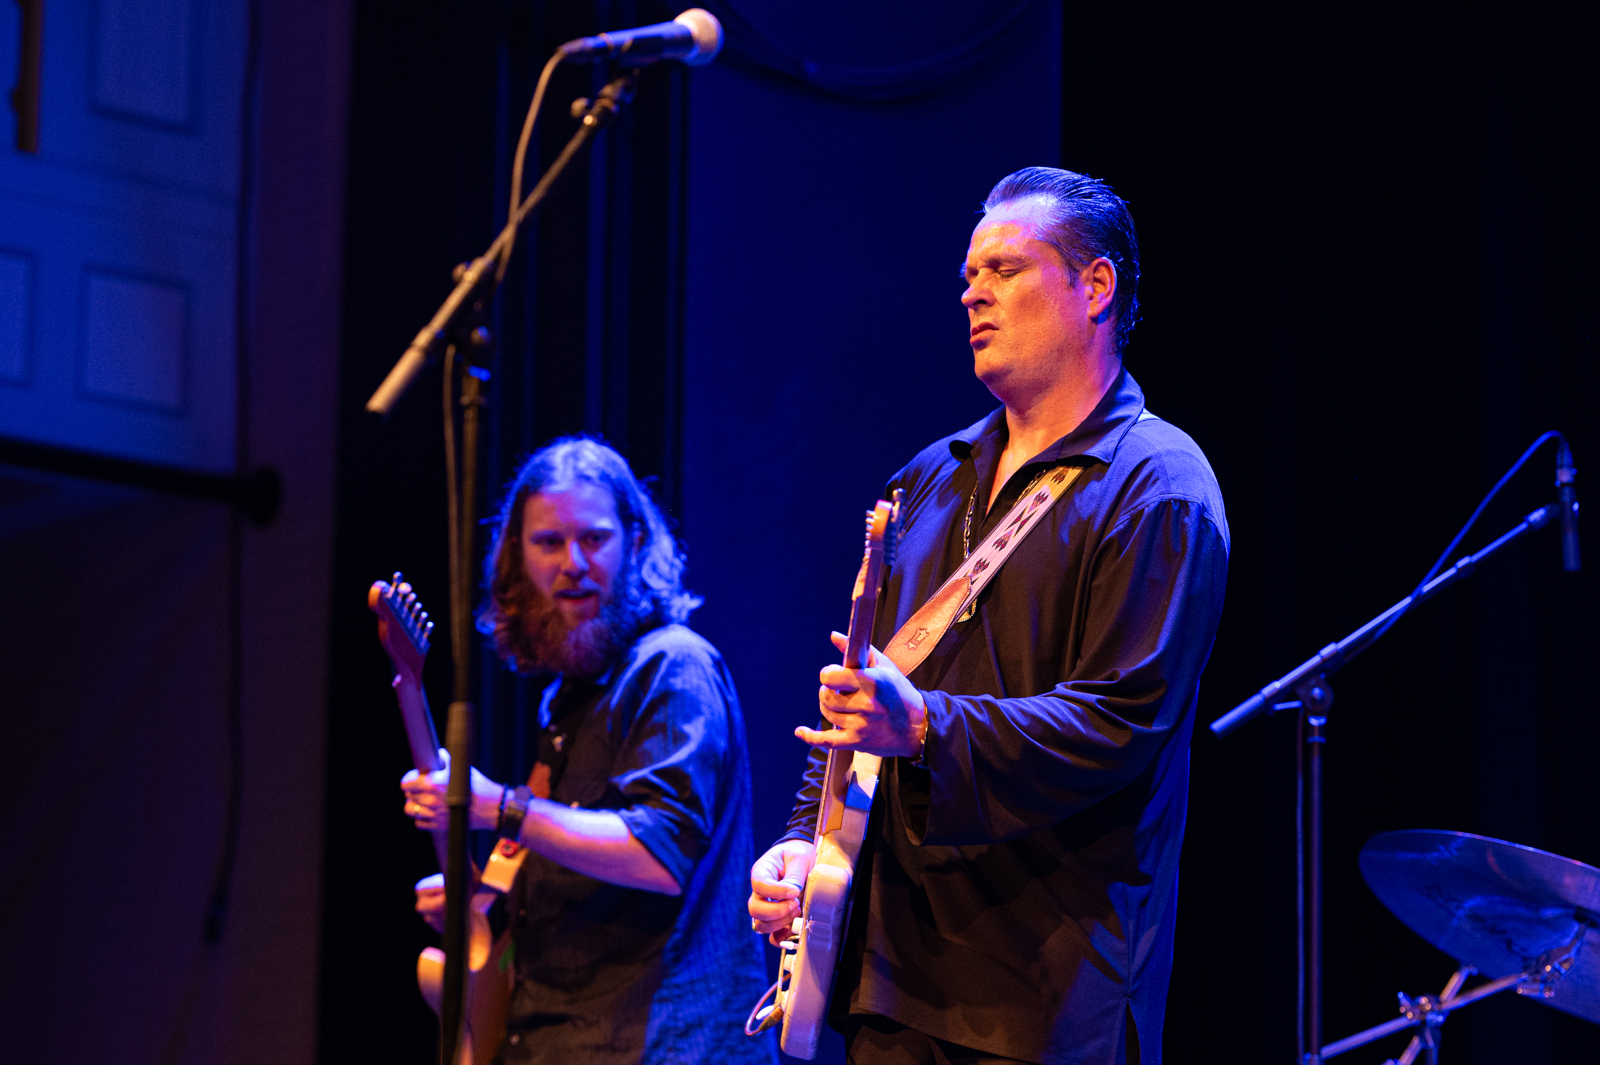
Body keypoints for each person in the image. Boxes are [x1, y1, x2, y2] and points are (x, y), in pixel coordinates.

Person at [748, 167, 1230, 1065]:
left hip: (1044, 998)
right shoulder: (929, 477)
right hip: (888, 979)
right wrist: (802, 842)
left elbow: (1119, 722)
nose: (972, 293)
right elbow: (865, 692)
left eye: (1005, 269)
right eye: (970, 275)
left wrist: (925, 726)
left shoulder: (1158, 487)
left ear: (1096, 286)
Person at [403, 437, 774, 1065]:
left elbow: (658, 855)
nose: (573, 563)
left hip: (664, 1044)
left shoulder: (674, 665)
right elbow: (575, 870)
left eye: (594, 539)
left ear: (635, 542)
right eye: (548, 543)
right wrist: (486, 907)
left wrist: (503, 809)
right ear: (516, 557)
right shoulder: (568, 697)